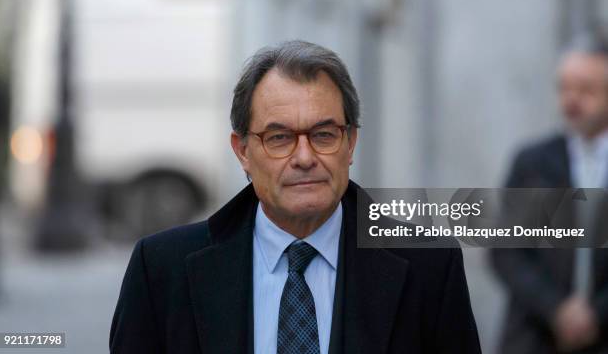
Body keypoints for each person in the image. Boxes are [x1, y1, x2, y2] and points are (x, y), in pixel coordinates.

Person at [110, 40, 481, 353]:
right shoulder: (161, 269)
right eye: (279, 138)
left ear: (350, 143)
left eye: (323, 135)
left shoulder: (429, 266)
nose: (304, 158)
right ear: (242, 152)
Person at [492, 29, 608, 353]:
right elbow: (506, 250)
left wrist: (595, 315)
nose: (572, 100)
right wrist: (557, 310)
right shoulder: (533, 163)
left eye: (586, 89)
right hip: (534, 336)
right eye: (565, 88)